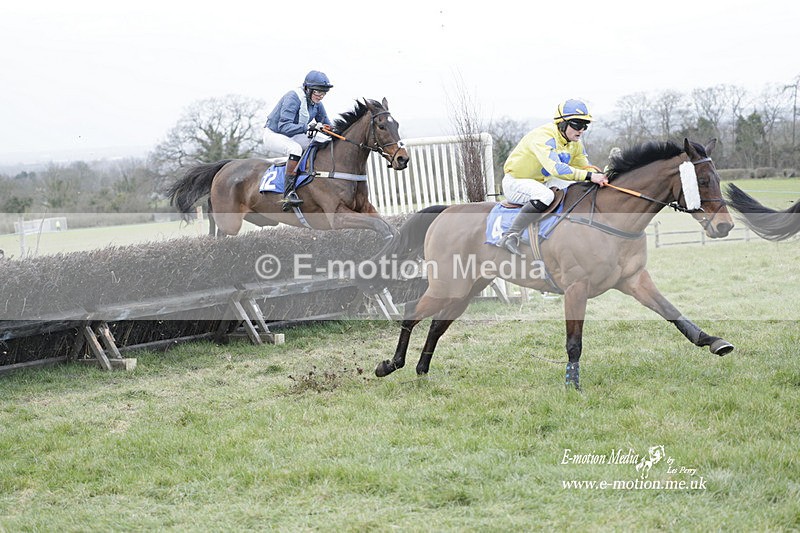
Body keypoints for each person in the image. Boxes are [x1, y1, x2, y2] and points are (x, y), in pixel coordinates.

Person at [496, 98, 609, 255]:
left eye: (585, 125)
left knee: (574, 189)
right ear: (562, 123)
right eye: (577, 124)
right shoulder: (543, 137)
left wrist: (600, 175)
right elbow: (556, 169)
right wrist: (590, 176)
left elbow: (584, 167)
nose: (581, 130)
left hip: (543, 181)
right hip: (516, 182)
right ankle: (511, 235)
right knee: (546, 196)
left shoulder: (575, 142)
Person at [263, 70, 334, 210]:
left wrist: (333, 130)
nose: (320, 96)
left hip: (292, 134)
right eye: (317, 92)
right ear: (307, 89)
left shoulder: (317, 103)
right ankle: (288, 193)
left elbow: (327, 124)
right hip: (274, 134)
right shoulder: (293, 97)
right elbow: (283, 126)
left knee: (320, 141)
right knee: (295, 148)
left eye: (323, 93)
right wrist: (309, 127)